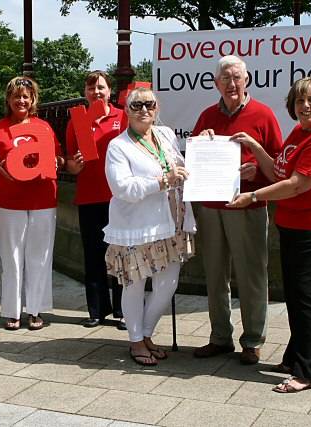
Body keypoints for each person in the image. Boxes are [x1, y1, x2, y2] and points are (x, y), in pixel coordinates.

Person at [228, 75, 311, 392]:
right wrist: (255, 147)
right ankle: (295, 358)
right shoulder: (299, 132)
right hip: (295, 227)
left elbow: (297, 185)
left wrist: (254, 196)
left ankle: (307, 373)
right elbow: (279, 171)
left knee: (305, 299)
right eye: (299, 100)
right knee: (295, 296)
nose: (305, 106)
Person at [192, 55, 283, 365]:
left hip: (248, 205)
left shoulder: (263, 115)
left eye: (237, 78)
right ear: (216, 83)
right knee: (215, 274)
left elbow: (278, 170)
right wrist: (201, 143)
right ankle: (220, 337)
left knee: (251, 274)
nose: (231, 84)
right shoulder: (206, 116)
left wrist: (254, 169)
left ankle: (253, 340)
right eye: (225, 79)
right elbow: (193, 162)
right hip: (211, 205)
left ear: (247, 80)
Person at [104, 87, 196, 366]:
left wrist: (203, 146)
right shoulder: (118, 146)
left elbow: (182, 164)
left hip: (173, 223)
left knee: (168, 285)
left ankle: (146, 333)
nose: (144, 110)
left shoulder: (166, 134)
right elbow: (122, 188)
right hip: (138, 226)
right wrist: (161, 181)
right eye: (137, 105)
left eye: (150, 104)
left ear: (157, 108)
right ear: (127, 111)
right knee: (135, 285)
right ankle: (135, 340)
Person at [0, 76, 63, 331]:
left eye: (26, 96)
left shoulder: (44, 127)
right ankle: (12, 311)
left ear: (33, 99)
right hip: (8, 201)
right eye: (17, 96)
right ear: (9, 100)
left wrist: (58, 161)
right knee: (11, 258)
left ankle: (35, 310)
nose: (21, 100)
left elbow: (58, 156)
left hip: (42, 199)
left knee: (40, 257)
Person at [65, 71, 127, 329]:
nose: (96, 92)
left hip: (119, 198)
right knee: (93, 255)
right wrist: (74, 166)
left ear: (109, 91)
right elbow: (69, 162)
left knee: (122, 254)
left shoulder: (123, 117)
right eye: (91, 88)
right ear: (86, 92)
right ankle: (97, 310)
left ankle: (123, 310)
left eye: (101, 87)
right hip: (89, 197)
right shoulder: (76, 121)